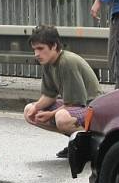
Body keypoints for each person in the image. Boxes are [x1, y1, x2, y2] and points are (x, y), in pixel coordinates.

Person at [24, 25, 101, 159]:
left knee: (62, 118)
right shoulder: (48, 63)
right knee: (29, 110)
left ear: (54, 46)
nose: (36, 54)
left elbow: (75, 103)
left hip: (93, 107)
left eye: (40, 48)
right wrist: (36, 108)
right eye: (34, 49)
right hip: (75, 106)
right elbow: (49, 96)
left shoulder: (66, 62)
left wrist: (50, 114)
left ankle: (91, 146)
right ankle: (76, 141)